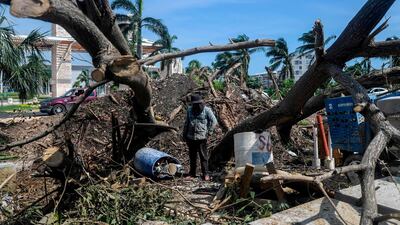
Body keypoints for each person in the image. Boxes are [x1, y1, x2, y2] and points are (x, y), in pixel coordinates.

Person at [183, 94, 218, 181]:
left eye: (198, 103)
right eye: (195, 104)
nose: (197, 105)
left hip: (202, 137)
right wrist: (184, 134)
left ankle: (205, 174)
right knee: (192, 156)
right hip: (190, 137)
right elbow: (187, 122)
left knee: (203, 157)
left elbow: (214, 121)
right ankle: (192, 174)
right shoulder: (189, 110)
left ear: (201, 103)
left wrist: (209, 132)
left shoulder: (207, 110)